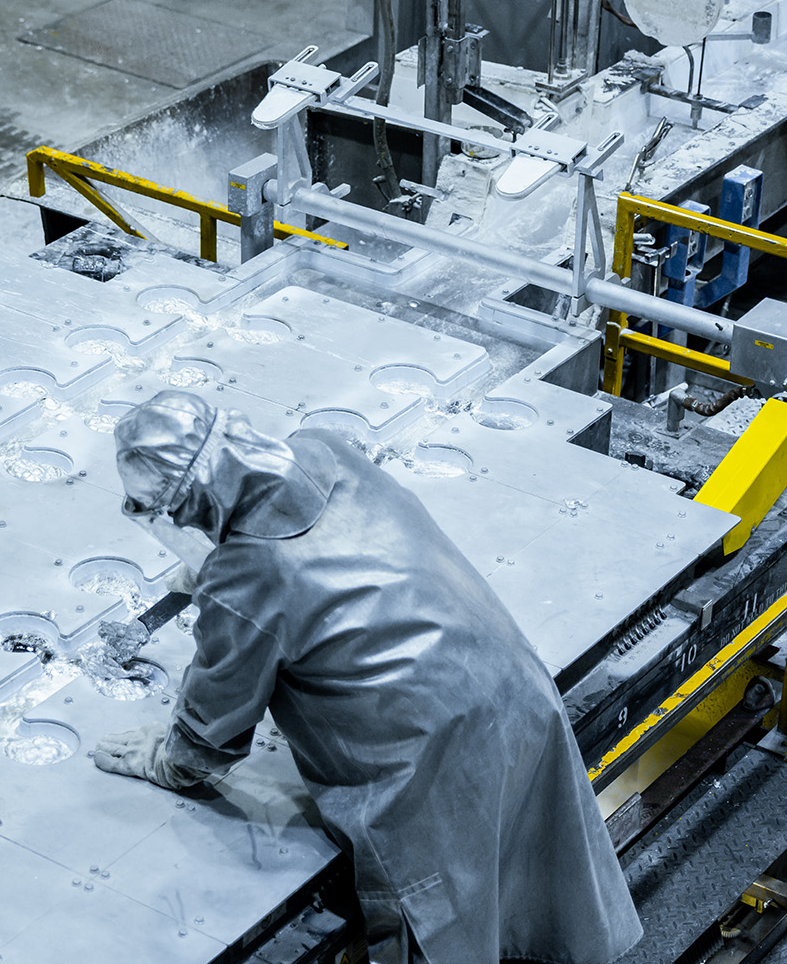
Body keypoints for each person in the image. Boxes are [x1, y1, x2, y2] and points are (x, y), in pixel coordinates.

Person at [92, 390, 641, 964]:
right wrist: (221, 557)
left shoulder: (243, 581)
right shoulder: (321, 447)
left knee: (443, 929)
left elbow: (207, 742)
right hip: (514, 693)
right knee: (538, 887)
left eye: (161, 510)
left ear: (189, 504)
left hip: (425, 769)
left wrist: (160, 757)